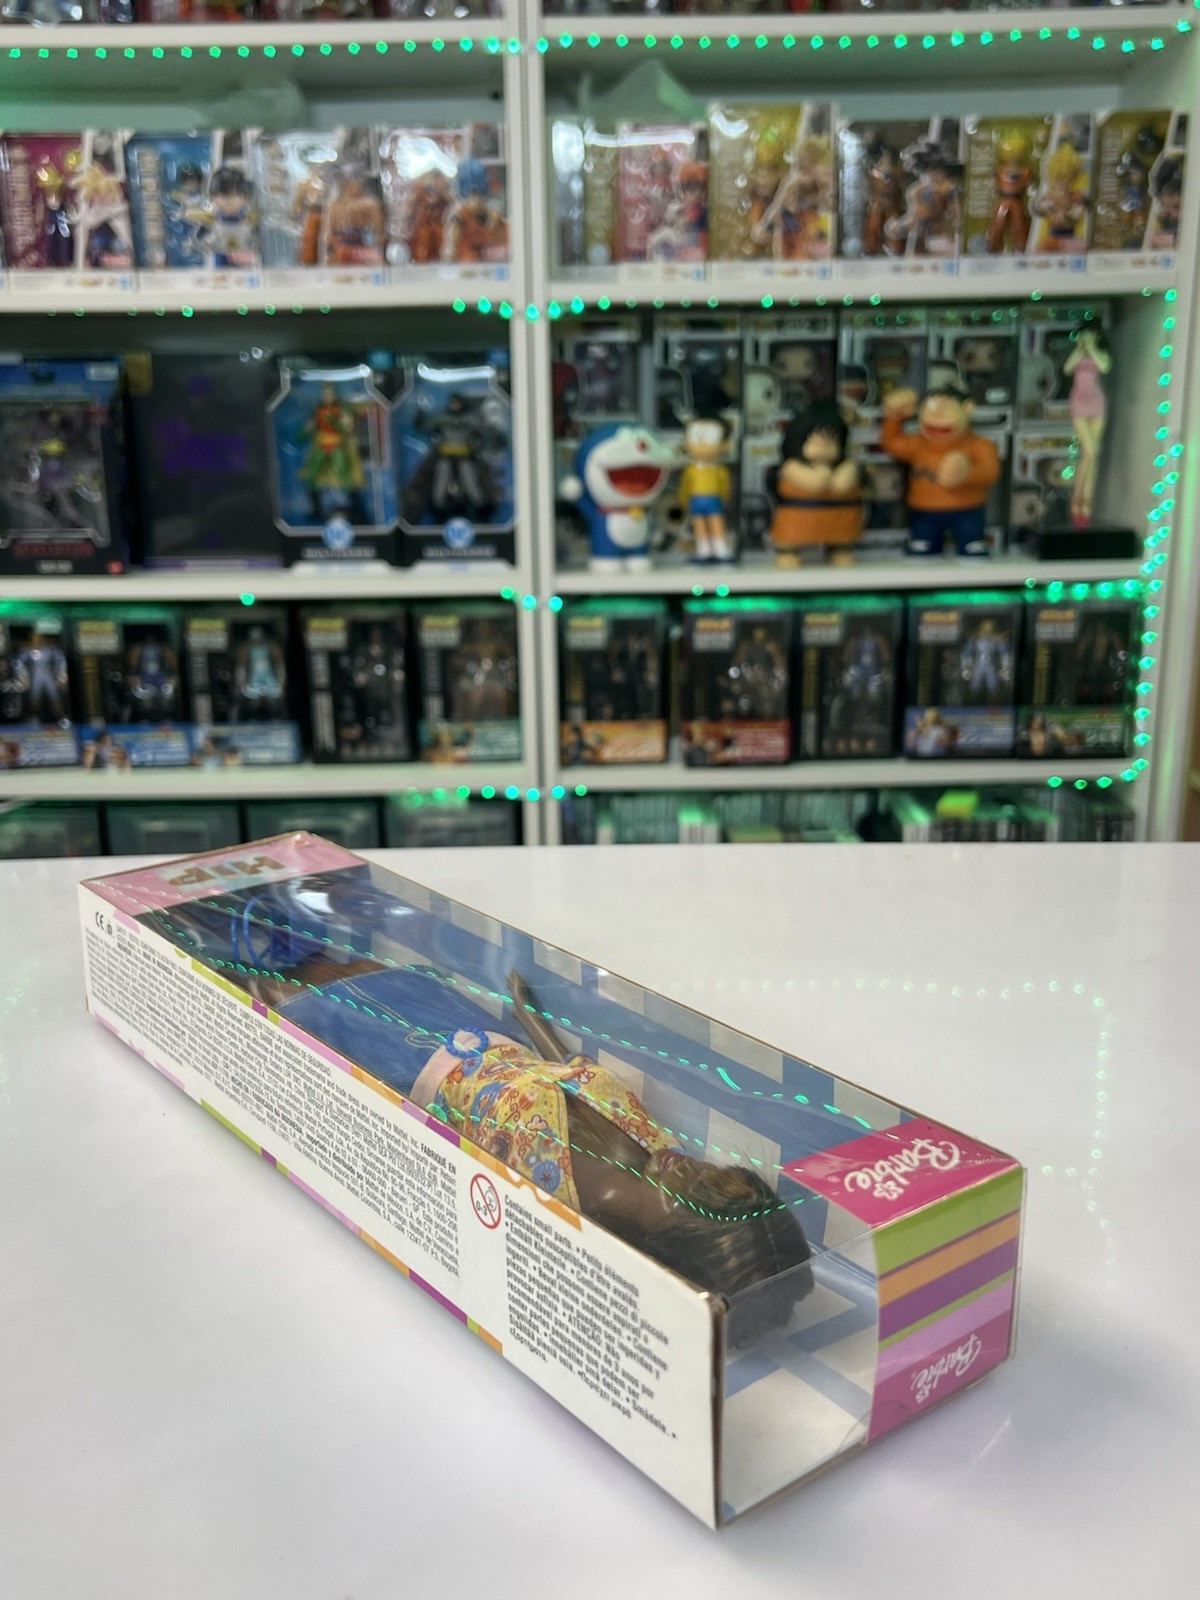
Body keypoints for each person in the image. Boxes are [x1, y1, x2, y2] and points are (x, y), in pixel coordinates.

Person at [145, 879, 815, 1346]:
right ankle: (217, 915)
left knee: (288, 994)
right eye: (714, 1175)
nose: (690, 1168)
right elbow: (565, 1071)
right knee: (331, 963)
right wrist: (529, 1013)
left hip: (411, 1061)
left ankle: (192, 954)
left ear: (673, 1250)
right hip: (473, 1026)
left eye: (691, 1195)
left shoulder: (562, 1207)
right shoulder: (654, 1146)